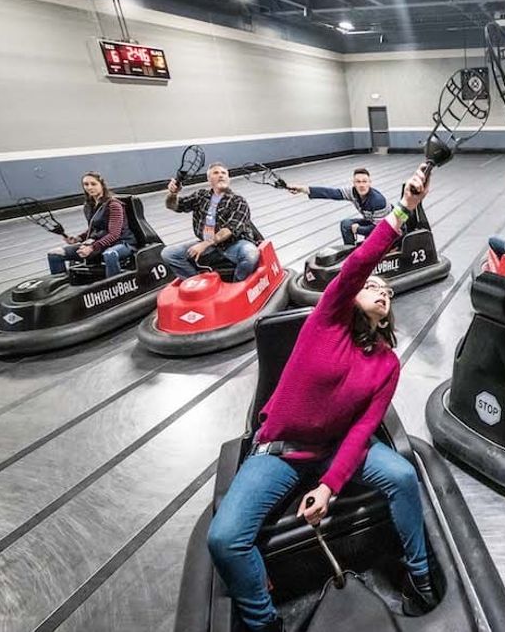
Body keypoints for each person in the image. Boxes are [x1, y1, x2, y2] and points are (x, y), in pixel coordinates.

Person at [206, 164, 439, 632]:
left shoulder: (386, 363)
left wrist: (330, 486)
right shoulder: (326, 319)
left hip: (336, 449)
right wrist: (404, 209)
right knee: (226, 538)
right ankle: (264, 622)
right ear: (350, 297)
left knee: (401, 474)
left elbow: (361, 429)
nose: (382, 291)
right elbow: (359, 264)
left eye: (387, 291)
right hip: (283, 451)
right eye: (373, 287)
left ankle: (421, 579)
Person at [162, 162, 262, 281]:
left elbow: (230, 229)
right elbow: (173, 205)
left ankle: (237, 283)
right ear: (209, 179)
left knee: (250, 253)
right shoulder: (201, 195)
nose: (221, 175)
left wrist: (205, 244)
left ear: (228, 179)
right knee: (169, 253)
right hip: (209, 247)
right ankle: (198, 283)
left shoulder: (238, 201)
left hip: (232, 245)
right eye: (216, 172)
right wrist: (173, 193)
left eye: (224, 173)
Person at [47, 172, 136, 279]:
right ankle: (63, 287)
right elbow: (93, 229)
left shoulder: (114, 205)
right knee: (54, 254)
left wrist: (92, 248)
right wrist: (78, 238)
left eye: (93, 184)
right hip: (99, 243)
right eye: (86, 184)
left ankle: (115, 285)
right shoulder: (88, 205)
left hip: (121, 242)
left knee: (110, 254)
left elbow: (114, 234)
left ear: (101, 185)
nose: (89, 187)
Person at [286, 168, 390, 246]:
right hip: (372, 222)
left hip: (389, 227)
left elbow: (379, 229)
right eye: (358, 182)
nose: (361, 185)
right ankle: (350, 254)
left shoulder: (378, 201)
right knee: (346, 224)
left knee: (369, 238)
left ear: (370, 183)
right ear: (354, 183)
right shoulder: (352, 193)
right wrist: (303, 189)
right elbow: (330, 193)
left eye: (364, 181)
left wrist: (359, 229)